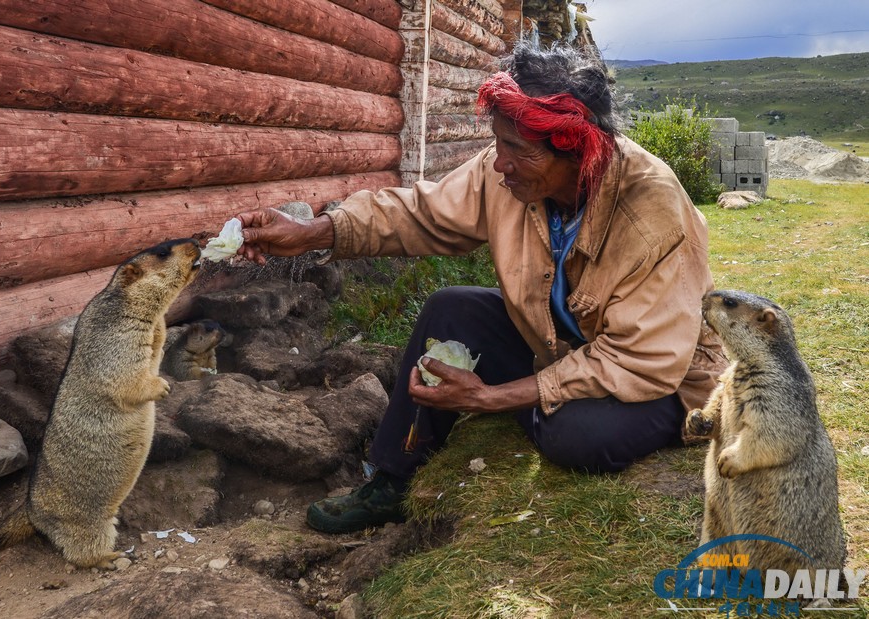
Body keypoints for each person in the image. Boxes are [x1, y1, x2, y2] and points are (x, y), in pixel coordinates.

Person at [235, 40, 728, 534]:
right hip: (561, 342)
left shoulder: (652, 212)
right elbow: (420, 215)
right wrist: (313, 233)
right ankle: (393, 478)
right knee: (450, 309)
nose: (499, 164)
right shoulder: (510, 175)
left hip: (663, 377)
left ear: (576, 148)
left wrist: (491, 398)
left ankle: (557, 411)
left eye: (518, 150)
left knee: (576, 437)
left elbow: (640, 360)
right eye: (499, 143)